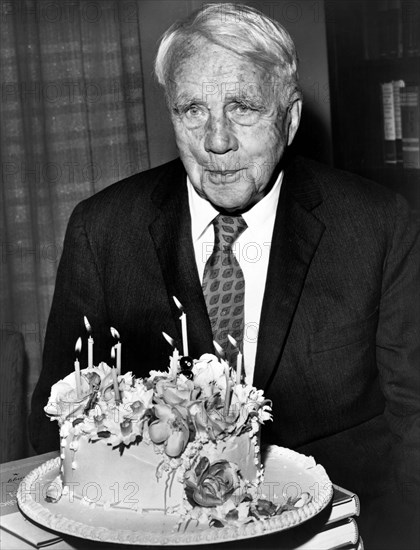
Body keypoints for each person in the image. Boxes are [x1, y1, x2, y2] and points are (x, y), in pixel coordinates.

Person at [29, 4, 419, 548]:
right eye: (191, 109)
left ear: (291, 116)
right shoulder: (103, 230)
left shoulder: (378, 225)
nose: (216, 141)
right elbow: (55, 421)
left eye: (243, 107)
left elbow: (413, 421)